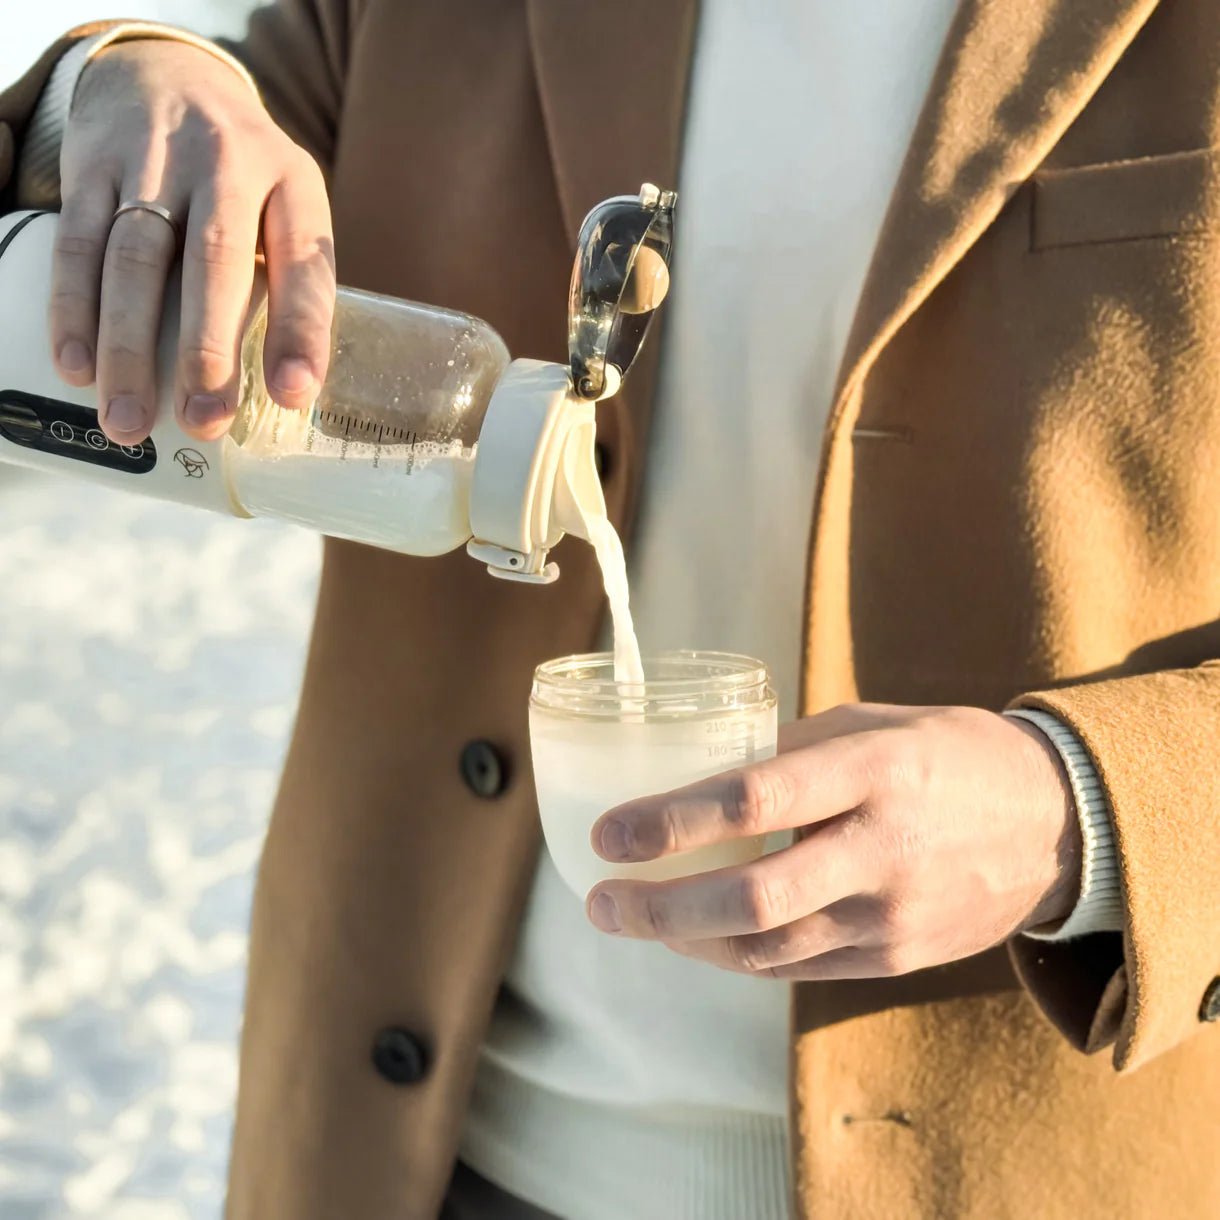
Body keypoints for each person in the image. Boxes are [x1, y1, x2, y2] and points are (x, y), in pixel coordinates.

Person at [3, 1, 1220, 1217]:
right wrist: (114, 83)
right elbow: (163, 165)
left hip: (1026, 1165)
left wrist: (1085, 809)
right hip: (412, 1156)